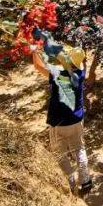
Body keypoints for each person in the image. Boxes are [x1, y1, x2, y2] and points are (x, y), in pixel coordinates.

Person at [32, 34, 93, 196]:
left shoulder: (58, 76)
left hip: (59, 122)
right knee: (79, 148)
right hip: (76, 119)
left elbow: (38, 67)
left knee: (60, 153)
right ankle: (85, 181)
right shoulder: (80, 72)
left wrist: (34, 50)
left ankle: (70, 181)